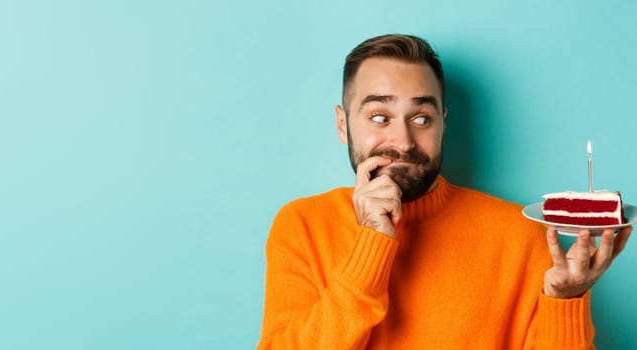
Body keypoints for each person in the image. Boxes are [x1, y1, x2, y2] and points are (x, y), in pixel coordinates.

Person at [256, 34, 632, 349]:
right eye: (379, 118)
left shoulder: (521, 234)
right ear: (343, 125)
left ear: (442, 124)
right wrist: (370, 249)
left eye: (421, 118)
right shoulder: (302, 226)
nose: (402, 141)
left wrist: (564, 301)